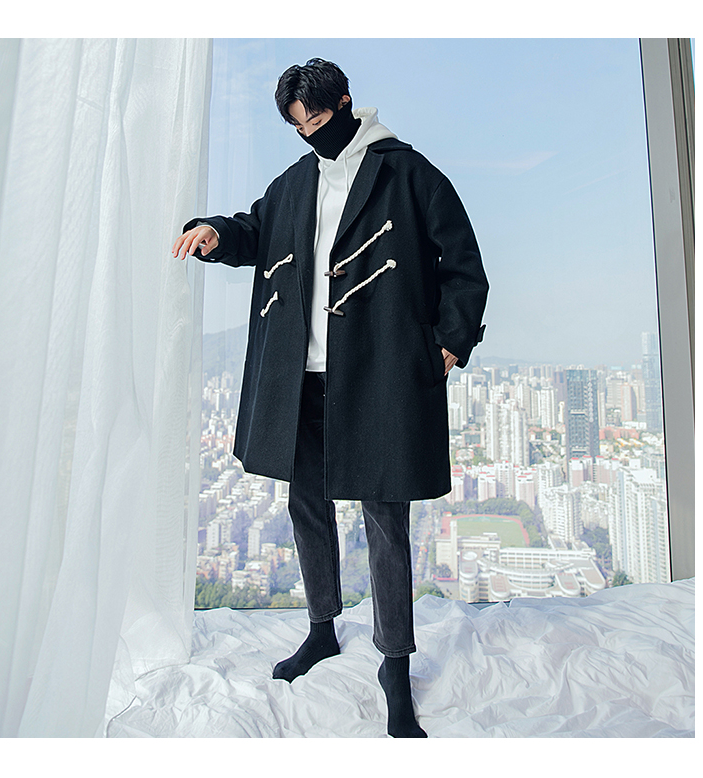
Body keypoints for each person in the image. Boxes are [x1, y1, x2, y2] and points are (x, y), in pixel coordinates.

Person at [172, 58, 488, 738]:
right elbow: (254, 230)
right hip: (302, 374)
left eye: (316, 118)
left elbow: (464, 265)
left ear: (345, 102)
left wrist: (451, 341)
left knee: (385, 518)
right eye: (298, 125)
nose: (309, 132)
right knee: (306, 504)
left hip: (377, 374)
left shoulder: (407, 173)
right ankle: (321, 629)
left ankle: (395, 666)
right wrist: (216, 233)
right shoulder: (295, 183)